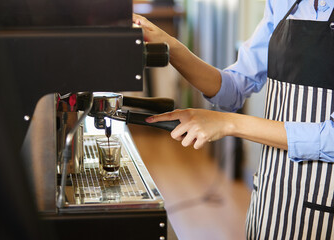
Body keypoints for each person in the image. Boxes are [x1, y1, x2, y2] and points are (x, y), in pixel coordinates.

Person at [133, 0, 334, 238]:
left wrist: (229, 123)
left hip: (325, 203)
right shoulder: (283, 3)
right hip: (273, 194)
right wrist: (172, 47)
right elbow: (234, 87)